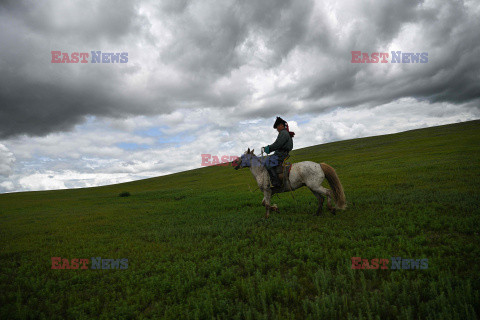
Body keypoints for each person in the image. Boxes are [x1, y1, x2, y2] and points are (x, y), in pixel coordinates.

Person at [263, 117, 295, 188]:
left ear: (281, 125)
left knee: (267, 163)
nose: (277, 129)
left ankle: (276, 183)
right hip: (281, 153)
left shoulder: (283, 133)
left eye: (277, 126)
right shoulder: (286, 133)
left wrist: (268, 148)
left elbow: (278, 144)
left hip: (280, 154)